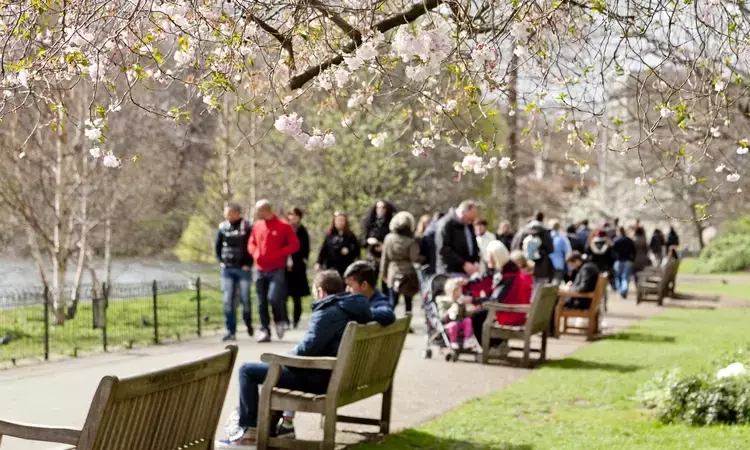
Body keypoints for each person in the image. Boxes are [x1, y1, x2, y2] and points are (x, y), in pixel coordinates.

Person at [217, 271, 373, 447]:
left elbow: (305, 351)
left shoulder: (328, 313)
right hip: (341, 377)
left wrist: (281, 358)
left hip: (321, 379)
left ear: (321, 291)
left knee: (247, 370)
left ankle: (250, 431)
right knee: (272, 370)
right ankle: (277, 430)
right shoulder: (354, 309)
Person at [248, 200, 300, 343]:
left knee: (274, 297)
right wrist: (255, 252)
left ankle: (280, 320)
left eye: (258, 211)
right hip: (259, 268)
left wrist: (279, 253)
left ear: (266, 210)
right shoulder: (257, 225)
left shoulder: (283, 225)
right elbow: (251, 243)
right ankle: (265, 329)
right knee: (261, 301)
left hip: (276, 268)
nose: (257, 214)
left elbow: (294, 245)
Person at [471, 240, 533, 353]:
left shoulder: (508, 275)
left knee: (477, 315)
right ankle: (498, 344)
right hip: (518, 312)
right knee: (482, 313)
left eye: (490, 257)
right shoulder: (510, 270)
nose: (488, 260)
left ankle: (491, 347)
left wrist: (473, 300)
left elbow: (495, 300)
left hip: (512, 314)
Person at [215, 203, 254, 342]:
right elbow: (217, 246)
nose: (227, 216)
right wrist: (220, 261)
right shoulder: (222, 227)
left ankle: (248, 321)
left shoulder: (247, 227)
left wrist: (249, 264)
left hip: (243, 269)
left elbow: (253, 245)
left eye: (229, 213)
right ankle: (230, 330)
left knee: (245, 298)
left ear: (237, 213)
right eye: (226, 213)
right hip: (228, 269)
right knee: (228, 301)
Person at [380, 211, 421, 315]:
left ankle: (388, 320)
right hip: (408, 273)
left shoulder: (388, 238)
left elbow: (384, 258)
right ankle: (407, 321)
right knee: (408, 301)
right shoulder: (411, 240)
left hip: (393, 272)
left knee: (392, 300)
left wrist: (383, 273)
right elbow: (414, 258)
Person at [435, 200, 481, 276]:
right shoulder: (446, 224)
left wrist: (476, 261)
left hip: (468, 271)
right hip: (451, 271)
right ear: (462, 212)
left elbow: (474, 246)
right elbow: (444, 249)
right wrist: (463, 264)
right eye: (469, 219)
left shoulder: (468, 225)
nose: (471, 222)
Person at [343, 261, 396, 327]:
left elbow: (388, 314)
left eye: (350, 285)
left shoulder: (380, 301)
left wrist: (358, 312)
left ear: (364, 285)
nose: (347, 290)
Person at [361, 200, 397, 291]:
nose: (380, 210)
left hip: (387, 257)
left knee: (387, 282)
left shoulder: (392, 223)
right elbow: (362, 241)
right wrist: (369, 241)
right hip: (373, 258)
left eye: (383, 207)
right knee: (372, 281)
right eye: (378, 207)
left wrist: (385, 247)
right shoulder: (369, 222)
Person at [511, 211, 554, 285]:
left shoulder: (523, 231)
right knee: (538, 289)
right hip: (541, 266)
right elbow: (550, 249)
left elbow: (515, 246)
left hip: (525, 264)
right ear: (542, 219)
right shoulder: (544, 231)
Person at [285, 207, 311, 329]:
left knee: (297, 297)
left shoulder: (302, 231)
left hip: (298, 268)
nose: (293, 217)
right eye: (291, 214)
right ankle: (284, 320)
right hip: (284, 267)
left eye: (295, 215)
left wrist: (302, 261)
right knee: (282, 295)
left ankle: (295, 320)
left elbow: (305, 249)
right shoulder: (284, 228)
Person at [436, 278, 477, 349]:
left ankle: (467, 340)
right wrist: (449, 312)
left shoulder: (460, 301)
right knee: (453, 325)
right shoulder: (443, 301)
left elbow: (465, 314)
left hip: (460, 322)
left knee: (468, 320)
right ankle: (453, 342)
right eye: (457, 290)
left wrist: (470, 311)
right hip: (449, 323)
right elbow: (442, 316)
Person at [315, 211, 360, 277]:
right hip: (331, 267)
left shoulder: (350, 236)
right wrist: (319, 263)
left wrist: (348, 251)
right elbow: (323, 250)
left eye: (342, 220)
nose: (340, 222)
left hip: (346, 269)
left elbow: (357, 251)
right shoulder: (329, 235)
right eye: (338, 220)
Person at [612, 227, 636, 299]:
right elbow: (634, 251)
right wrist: (632, 260)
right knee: (625, 277)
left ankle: (621, 291)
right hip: (628, 260)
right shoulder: (629, 240)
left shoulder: (616, 240)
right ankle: (624, 290)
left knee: (618, 277)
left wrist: (614, 259)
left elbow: (612, 251)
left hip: (618, 261)